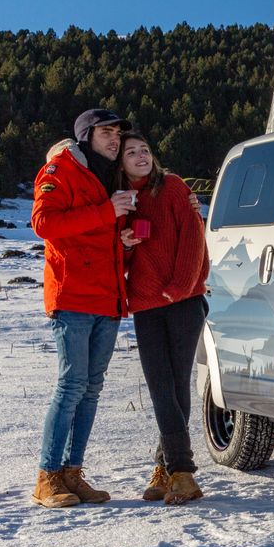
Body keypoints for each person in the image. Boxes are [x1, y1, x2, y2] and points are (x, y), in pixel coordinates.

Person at [30, 108, 135, 508]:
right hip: (73, 296)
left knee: (91, 389)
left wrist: (122, 242)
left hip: (107, 298)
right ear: (87, 135)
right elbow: (44, 223)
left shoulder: (111, 176)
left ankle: (73, 475)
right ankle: (47, 476)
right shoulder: (61, 169)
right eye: (106, 132)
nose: (114, 139)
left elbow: (97, 237)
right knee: (71, 386)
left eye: (117, 133)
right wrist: (106, 213)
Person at [116, 132, 211, 505]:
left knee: (174, 385)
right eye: (131, 152)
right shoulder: (124, 201)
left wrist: (179, 286)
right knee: (161, 388)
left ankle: (180, 471)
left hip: (183, 301)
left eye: (145, 151)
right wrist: (124, 245)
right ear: (120, 162)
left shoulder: (172, 187)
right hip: (145, 304)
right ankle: (171, 467)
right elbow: (117, 261)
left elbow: (194, 237)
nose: (141, 156)